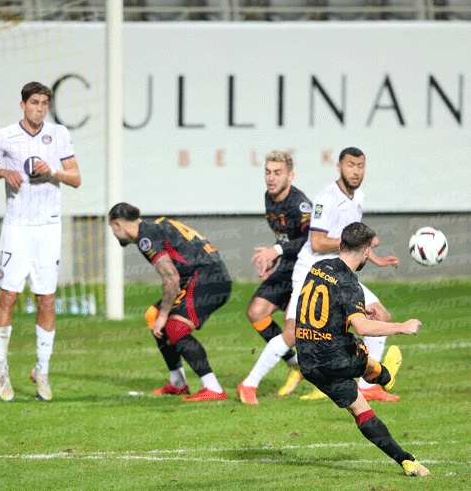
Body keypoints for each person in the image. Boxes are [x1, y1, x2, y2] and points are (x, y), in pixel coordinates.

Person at [243, 147, 401, 403]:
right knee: (294, 333)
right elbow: (316, 243)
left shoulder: (358, 196)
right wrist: (357, 242)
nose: (356, 171)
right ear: (339, 167)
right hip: (312, 272)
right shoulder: (326, 197)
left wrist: (374, 257)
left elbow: (352, 241)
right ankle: (249, 384)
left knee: (381, 316)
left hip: (339, 270)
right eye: (350, 165)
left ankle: (366, 387)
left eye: (360, 166)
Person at [294, 221, 429, 477]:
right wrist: (402, 326)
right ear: (367, 251)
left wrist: (352, 309)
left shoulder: (318, 267)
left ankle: (407, 461)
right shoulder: (350, 283)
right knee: (360, 356)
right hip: (335, 358)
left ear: (341, 244)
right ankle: (385, 377)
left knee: (360, 409)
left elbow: (317, 305)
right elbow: (363, 328)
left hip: (308, 363)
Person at [0, 82, 81, 402]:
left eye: (44, 104)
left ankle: (41, 370)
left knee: (46, 300)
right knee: (8, 298)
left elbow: (76, 177)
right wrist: (3, 173)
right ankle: (0, 367)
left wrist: (52, 169)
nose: (39, 109)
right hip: (16, 227)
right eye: (34, 103)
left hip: (48, 228)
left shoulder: (59, 134)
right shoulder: (4, 136)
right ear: (22, 104)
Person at [108, 203, 232, 401]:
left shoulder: (145, 237)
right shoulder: (154, 226)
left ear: (118, 225)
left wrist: (165, 314)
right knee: (153, 315)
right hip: (206, 276)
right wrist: (161, 314)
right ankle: (178, 383)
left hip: (207, 278)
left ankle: (213, 388)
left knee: (175, 327)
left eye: (112, 229)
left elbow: (171, 278)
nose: (114, 234)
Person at [237, 151, 311, 405]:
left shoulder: (299, 204)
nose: (271, 177)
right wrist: (273, 259)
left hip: (305, 268)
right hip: (286, 265)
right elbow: (285, 238)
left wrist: (276, 251)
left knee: (298, 329)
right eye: (268, 172)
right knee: (256, 312)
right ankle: (295, 364)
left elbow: (312, 241)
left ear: (290, 175)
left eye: (277, 172)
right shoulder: (270, 198)